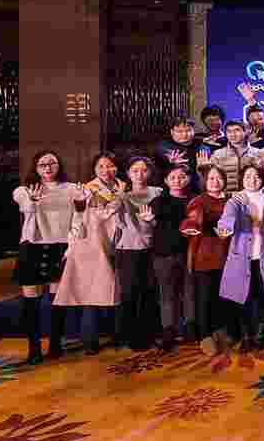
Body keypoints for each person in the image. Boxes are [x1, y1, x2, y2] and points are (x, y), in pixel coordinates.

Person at [54, 152, 125, 356]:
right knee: (92, 291)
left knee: (116, 290)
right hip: (91, 243)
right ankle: (90, 340)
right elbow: (78, 216)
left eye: (110, 165)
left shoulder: (123, 187)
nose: (106, 170)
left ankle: (118, 335)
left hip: (118, 242)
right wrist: (72, 242)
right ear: (94, 169)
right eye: (101, 166)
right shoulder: (87, 189)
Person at [13, 150, 75, 364]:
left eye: (52, 163)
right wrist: (33, 201)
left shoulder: (71, 188)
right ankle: (34, 349)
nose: (48, 168)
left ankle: (56, 343)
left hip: (61, 247)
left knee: (58, 302)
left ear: (59, 165)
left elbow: (80, 213)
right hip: (32, 247)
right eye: (42, 164)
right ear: (35, 167)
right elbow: (26, 208)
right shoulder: (23, 190)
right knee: (32, 303)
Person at [216, 165, 264, 352]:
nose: (252, 180)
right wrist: (225, 228)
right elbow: (227, 218)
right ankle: (245, 336)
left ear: (262, 179)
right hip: (242, 256)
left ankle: (260, 335)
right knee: (242, 298)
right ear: (242, 179)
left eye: (256, 176)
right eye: (248, 176)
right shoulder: (236, 199)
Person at [112, 156, 163, 351]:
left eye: (143, 170)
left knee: (150, 292)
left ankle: (150, 334)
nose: (139, 174)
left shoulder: (158, 192)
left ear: (149, 172)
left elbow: (161, 223)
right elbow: (115, 221)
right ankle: (131, 336)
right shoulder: (121, 195)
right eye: (135, 170)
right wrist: (119, 199)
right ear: (127, 173)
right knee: (129, 293)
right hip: (127, 248)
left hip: (152, 248)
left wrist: (151, 221)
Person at [180, 165, 231, 355]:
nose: (215, 182)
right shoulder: (198, 201)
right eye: (211, 178)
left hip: (227, 254)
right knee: (203, 298)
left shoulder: (231, 200)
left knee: (221, 297)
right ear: (205, 181)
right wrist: (189, 227)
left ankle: (219, 331)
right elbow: (191, 221)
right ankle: (204, 336)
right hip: (204, 254)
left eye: (219, 178)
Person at [150, 164, 192, 352]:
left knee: (189, 293)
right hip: (164, 254)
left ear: (187, 179)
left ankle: (190, 330)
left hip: (189, 254)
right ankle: (169, 331)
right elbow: (151, 224)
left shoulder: (194, 200)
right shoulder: (158, 201)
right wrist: (149, 220)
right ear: (166, 181)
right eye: (172, 177)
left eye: (181, 177)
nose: (177, 181)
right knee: (167, 294)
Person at [201, 120, 260, 195]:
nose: (233, 134)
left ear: (246, 132)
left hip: (250, 196)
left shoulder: (257, 153)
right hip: (226, 197)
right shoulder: (218, 154)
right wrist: (203, 169)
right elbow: (210, 179)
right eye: (229, 131)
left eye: (237, 130)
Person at [156, 117, 203, 193]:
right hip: (172, 189)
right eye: (179, 131)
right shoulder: (163, 146)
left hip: (196, 188)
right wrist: (171, 163)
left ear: (194, 131)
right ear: (172, 132)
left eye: (188, 130)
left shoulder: (200, 143)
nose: (184, 134)